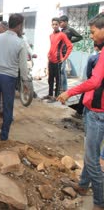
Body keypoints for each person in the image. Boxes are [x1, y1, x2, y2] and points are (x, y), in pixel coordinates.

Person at [57, 13, 104, 210]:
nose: (91, 36)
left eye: (93, 32)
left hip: (97, 113)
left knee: (93, 159)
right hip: (94, 110)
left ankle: (99, 202)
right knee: (90, 153)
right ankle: (83, 186)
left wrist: (69, 92)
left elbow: (94, 81)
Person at [0, 13, 29, 140]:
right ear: (20, 25)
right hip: (9, 78)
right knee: (7, 106)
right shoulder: (20, 42)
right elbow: (23, 66)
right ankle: (4, 136)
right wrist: (25, 82)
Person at [43, 17, 73, 103]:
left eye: (56, 24)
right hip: (51, 60)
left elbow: (70, 46)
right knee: (50, 79)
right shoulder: (51, 35)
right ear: (51, 25)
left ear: (59, 25)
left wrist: (64, 57)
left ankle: (56, 97)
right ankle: (50, 95)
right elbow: (53, 47)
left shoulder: (62, 35)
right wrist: (48, 54)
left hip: (58, 61)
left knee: (58, 79)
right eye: (53, 24)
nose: (55, 26)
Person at [72, 42, 103, 119]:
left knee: (85, 95)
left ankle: (79, 113)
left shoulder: (93, 58)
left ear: (96, 47)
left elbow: (88, 74)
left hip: (93, 83)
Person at [59, 15, 83, 91]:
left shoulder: (70, 30)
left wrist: (70, 41)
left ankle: (64, 88)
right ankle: (59, 86)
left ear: (66, 22)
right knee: (59, 71)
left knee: (62, 71)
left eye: (61, 22)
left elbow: (80, 37)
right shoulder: (62, 30)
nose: (60, 24)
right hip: (60, 52)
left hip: (65, 52)